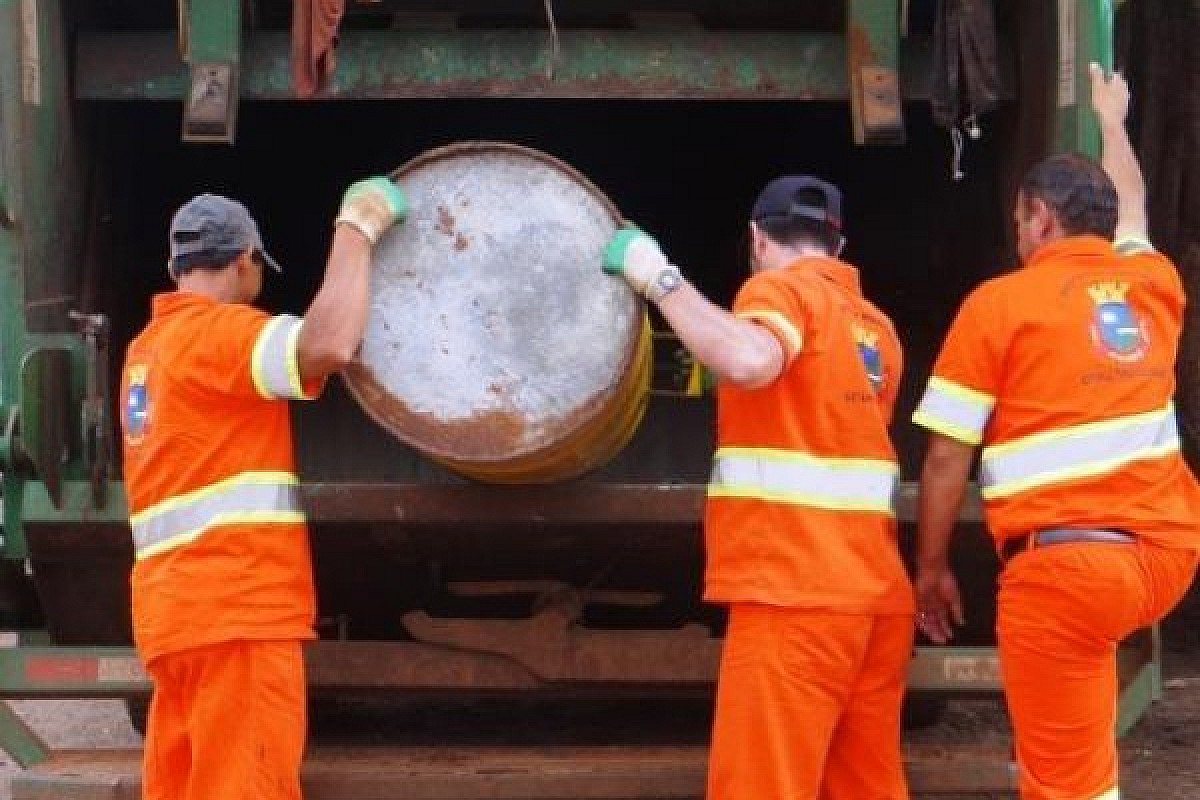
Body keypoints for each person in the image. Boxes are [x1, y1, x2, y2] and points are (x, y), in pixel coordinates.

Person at [912, 65, 1200, 800]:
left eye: (1018, 221)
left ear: (1040, 215)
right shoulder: (1151, 284)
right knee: (1081, 743)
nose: (1017, 235)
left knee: (1064, 784)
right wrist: (1112, 119)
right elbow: (1132, 204)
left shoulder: (999, 306)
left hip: (1068, 575)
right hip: (1166, 557)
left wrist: (932, 565)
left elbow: (948, 455)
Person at [603, 176, 914, 799]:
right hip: (873, 599)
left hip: (795, 593)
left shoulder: (782, 291)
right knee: (862, 785)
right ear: (838, 242)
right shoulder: (874, 326)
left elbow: (750, 360)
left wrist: (656, 277)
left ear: (757, 237)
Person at [119, 178, 407, 800]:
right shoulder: (215, 335)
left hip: (176, 621)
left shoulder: (147, 352)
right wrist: (355, 232)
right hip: (237, 615)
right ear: (245, 259)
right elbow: (328, 343)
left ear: (178, 264)